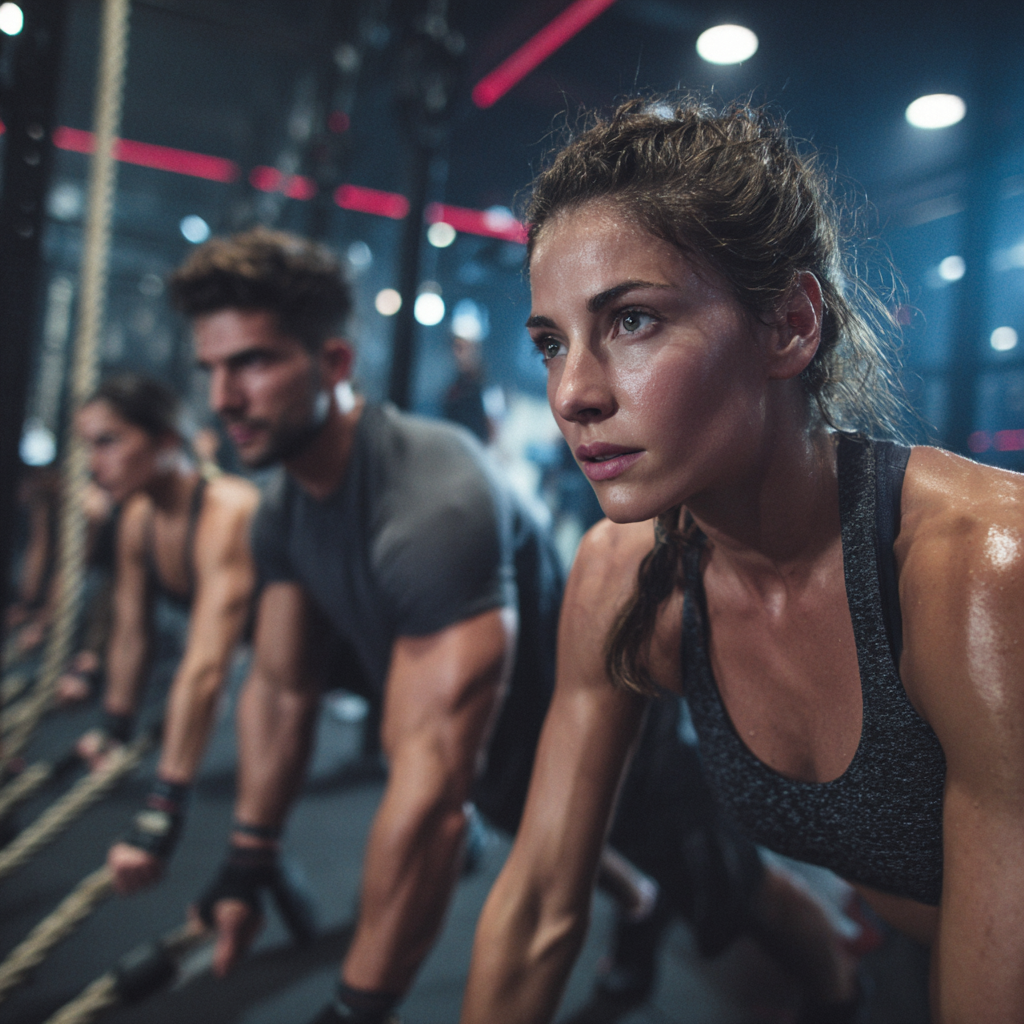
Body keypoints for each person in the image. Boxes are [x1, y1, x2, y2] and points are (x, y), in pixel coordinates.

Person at [172, 228, 854, 1024]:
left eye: (251, 363)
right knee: (568, 848)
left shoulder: (432, 499)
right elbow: (284, 690)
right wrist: (252, 851)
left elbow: (432, 797)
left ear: (333, 364)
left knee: (732, 888)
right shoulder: (285, 509)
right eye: (212, 370)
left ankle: (840, 991)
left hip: (604, 733)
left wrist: (357, 1008)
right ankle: (639, 909)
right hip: (495, 751)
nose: (224, 399)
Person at [461, 97, 1024, 1024]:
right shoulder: (624, 578)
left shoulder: (975, 572)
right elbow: (536, 907)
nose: (572, 393)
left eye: (632, 322)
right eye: (553, 342)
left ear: (789, 326)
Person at [74, 372, 258, 893]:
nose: (93, 463)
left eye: (109, 442)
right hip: (267, 663)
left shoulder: (227, 509)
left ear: (166, 441)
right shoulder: (138, 515)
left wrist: (164, 808)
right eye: (89, 445)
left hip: (340, 654)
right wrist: (116, 723)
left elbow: (206, 665)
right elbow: (132, 633)